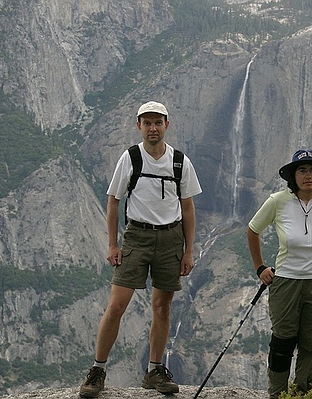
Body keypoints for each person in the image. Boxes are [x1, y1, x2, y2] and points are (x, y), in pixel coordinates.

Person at [79, 101, 202, 398]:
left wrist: (188, 250)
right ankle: (97, 370)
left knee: (163, 307)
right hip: (137, 236)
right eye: (147, 123)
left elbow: (188, 207)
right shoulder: (131, 158)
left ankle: (154, 370)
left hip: (171, 238)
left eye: (158, 122)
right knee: (117, 304)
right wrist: (113, 244)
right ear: (139, 126)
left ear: (167, 125)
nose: (153, 128)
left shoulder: (180, 162)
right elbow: (113, 200)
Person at [247, 149, 312, 398]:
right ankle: (277, 393)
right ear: (293, 175)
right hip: (286, 281)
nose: (308, 176)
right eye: (302, 170)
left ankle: (301, 392)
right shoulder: (278, 201)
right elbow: (253, 230)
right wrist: (260, 267)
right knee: (282, 342)